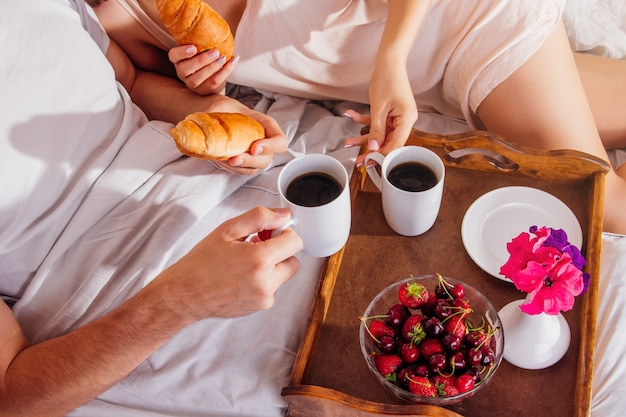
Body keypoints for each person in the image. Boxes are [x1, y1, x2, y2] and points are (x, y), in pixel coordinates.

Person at [0, 0, 304, 415]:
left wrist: (214, 113)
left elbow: (131, 82)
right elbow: (11, 394)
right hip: (119, 285)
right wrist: (183, 299)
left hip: (206, 172)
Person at [89, 0, 626, 234]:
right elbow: (140, 85)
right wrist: (211, 94)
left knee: (602, 205)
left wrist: (389, 63)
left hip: (472, 22)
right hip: (433, 85)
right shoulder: (106, 18)